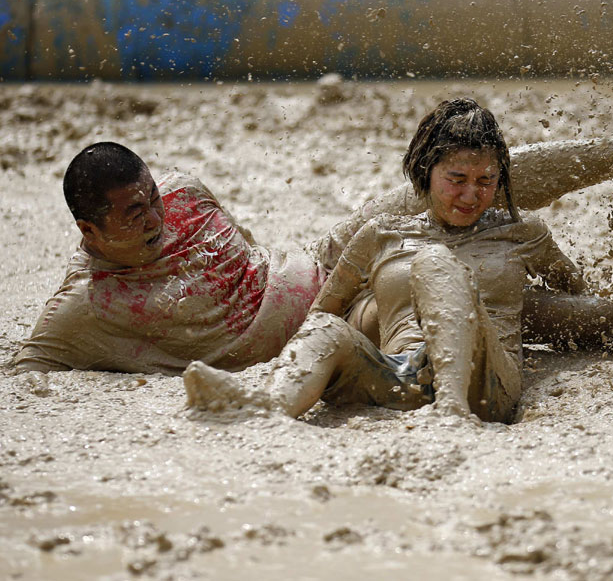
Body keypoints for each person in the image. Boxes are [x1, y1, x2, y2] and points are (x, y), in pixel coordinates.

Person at [12, 75, 613, 375]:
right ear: (91, 231)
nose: (157, 217)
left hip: (326, 255)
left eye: (151, 197)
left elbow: (248, 255)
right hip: (341, 321)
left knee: (462, 176)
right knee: (498, 301)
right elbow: (22, 370)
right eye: (135, 215)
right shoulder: (87, 308)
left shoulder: (186, 193)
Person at [183, 98, 591, 423]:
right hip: (400, 378)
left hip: (484, 385)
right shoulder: (382, 234)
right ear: (426, 171)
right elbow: (320, 314)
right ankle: (267, 404)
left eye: (486, 181)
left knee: (435, 262)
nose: (471, 197)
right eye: (457, 180)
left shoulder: (523, 233)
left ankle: (451, 412)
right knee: (326, 329)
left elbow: (577, 292)